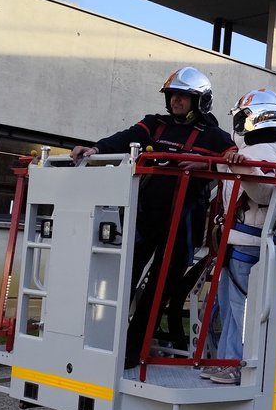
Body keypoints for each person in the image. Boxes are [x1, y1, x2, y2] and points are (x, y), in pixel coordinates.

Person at [71, 66, 236, 369]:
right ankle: (104, 341)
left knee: (160, 288)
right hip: (146, 216)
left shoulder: (213, 136)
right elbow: (125, 137)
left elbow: (233, 158)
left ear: (200, 101)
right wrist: (95, 148)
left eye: (183, 97)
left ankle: (133, 351)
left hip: (184, 222)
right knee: (123, 278)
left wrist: (206, 164)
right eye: (173, 96)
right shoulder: (154, 125)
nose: (175, 101)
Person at [203, 88, 276, 385]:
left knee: (240, 310)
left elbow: (264, 192)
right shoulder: (272, 148)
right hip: (240, 241)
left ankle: (234, 364)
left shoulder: (263, 152)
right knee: (232, 308)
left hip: (247, 242)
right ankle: (225, 360)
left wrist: (239, 164)